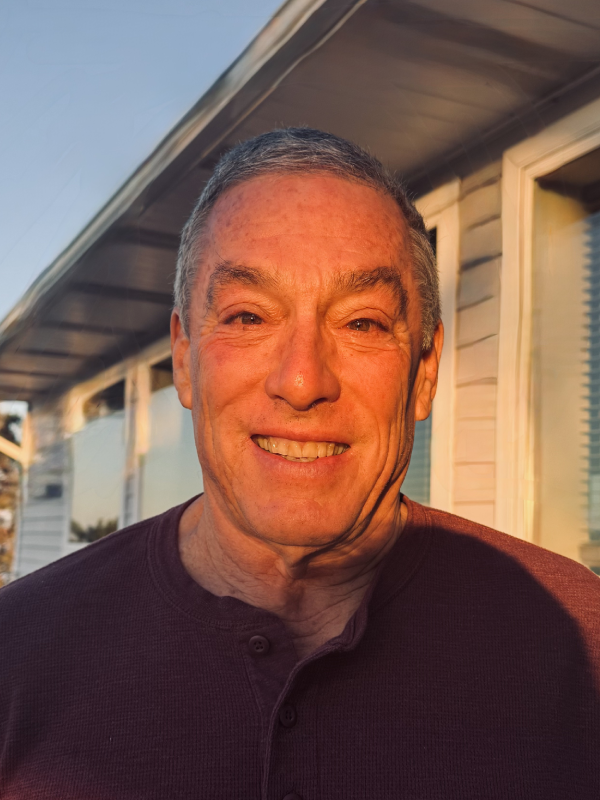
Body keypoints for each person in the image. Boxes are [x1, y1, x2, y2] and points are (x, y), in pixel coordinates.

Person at [1, 128, 599, 800]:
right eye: (250, 315)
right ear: (184, 359)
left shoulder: (577, 645)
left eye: (363, 323)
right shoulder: (18, 657)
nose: (303, 380)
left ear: (424, 371)